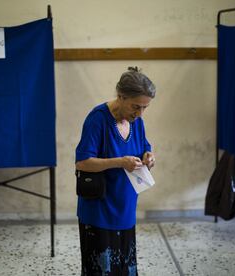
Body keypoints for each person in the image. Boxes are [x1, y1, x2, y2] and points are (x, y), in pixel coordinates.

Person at [75, 67, 156, 276]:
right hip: (99, 209)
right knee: (101, 270)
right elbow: (82, 162)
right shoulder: (97, 119)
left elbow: (145, 145)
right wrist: (120, 162)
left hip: (126, 207)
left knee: (125, 269)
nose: (139, 113)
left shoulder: (137, 121)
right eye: (135, 107)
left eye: (145, 108)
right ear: (121, 96)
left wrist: (149, 155)